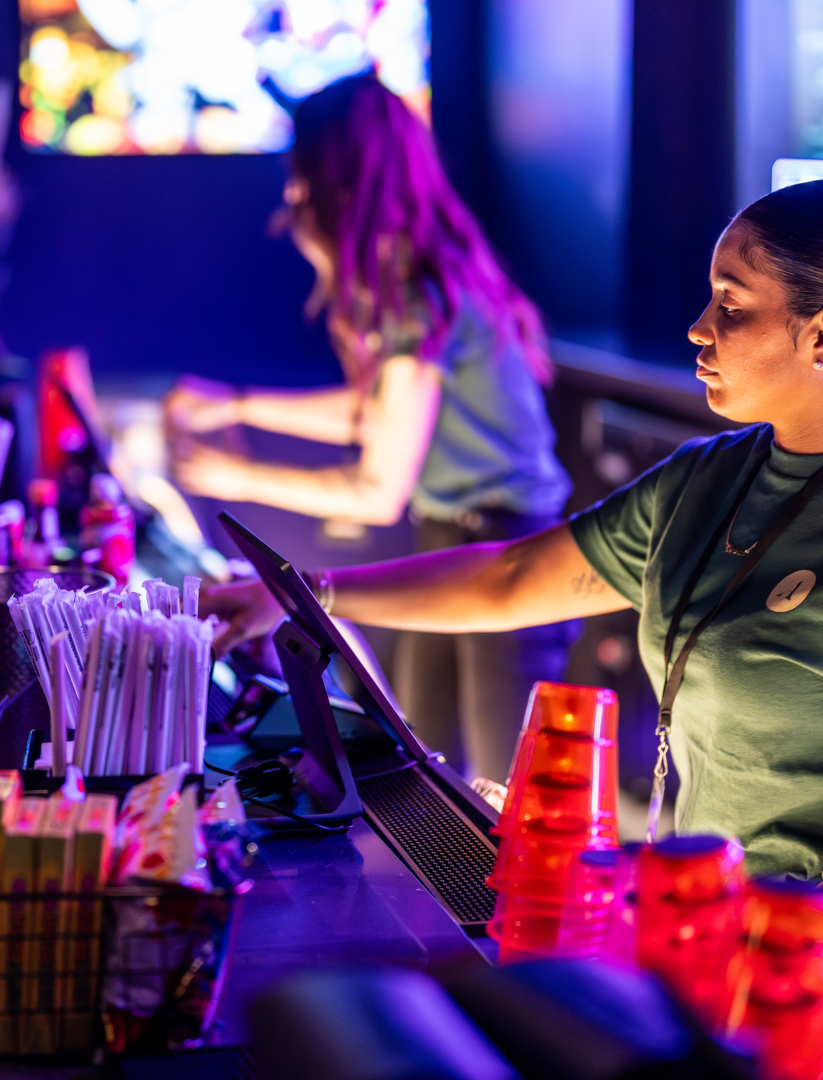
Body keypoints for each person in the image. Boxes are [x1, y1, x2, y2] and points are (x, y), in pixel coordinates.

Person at [205, 179, 823, 1078]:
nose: (698, 329)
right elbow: (513, 577)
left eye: (731, 306)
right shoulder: (708, 478)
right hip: (734, 932)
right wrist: (306, 591)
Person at [165, 75, 573, 782]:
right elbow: (377, 414)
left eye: (301, 176)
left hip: (512, 541)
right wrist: (236, 404)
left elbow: (378, 486)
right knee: (426, 770)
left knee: (504, 799)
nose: (293, 194)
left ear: (336, 177)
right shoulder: (417, 270)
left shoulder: (420, 290)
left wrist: (231, 476)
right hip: (457, 528)